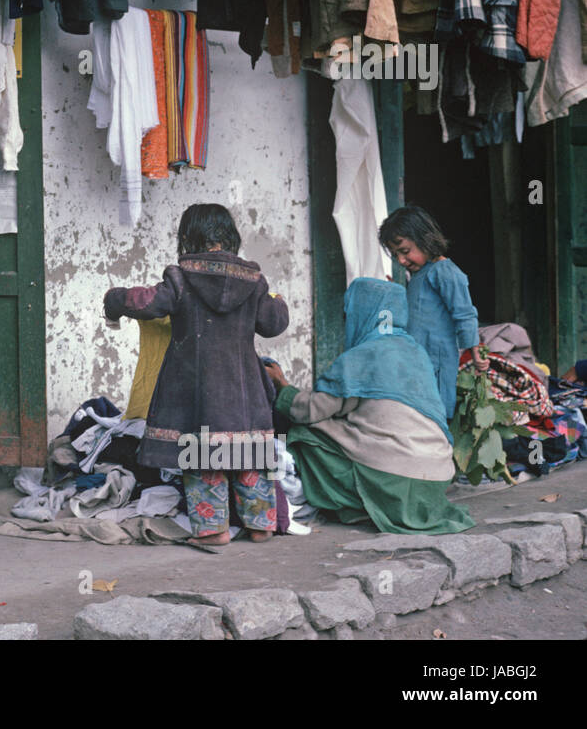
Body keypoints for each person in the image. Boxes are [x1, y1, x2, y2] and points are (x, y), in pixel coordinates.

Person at [103, 203, 288, 546]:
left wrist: (114, 299)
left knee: (204, 458)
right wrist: (276, 299)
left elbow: (147, 303)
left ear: (187, 237)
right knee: (249, 455)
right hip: (245, 390)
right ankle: (261, 526)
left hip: (198, 389)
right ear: (230, 236)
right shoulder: (254, 281)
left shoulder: (181, 277)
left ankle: (213, 530)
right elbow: (273, 323)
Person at [264, 278, 474, 534]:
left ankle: (347, 504)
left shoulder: (364, 355)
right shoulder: (416, 353)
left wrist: (282, 384)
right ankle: (368, 505)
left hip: (395, 478)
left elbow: (308, 410)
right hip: (436, 477)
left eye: (347, 314)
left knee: (303, 434)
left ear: (362, 313)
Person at [378, 204, 486, 419]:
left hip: (437, 361)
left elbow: (464, 313)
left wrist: (474, 351)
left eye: (405, 251)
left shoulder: (445, 272)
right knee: (416, 410)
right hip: (417, 358)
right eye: (395, 255)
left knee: (435, 410)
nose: (401, 260)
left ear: (425, 239)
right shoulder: (419, 275)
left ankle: (439, 448)